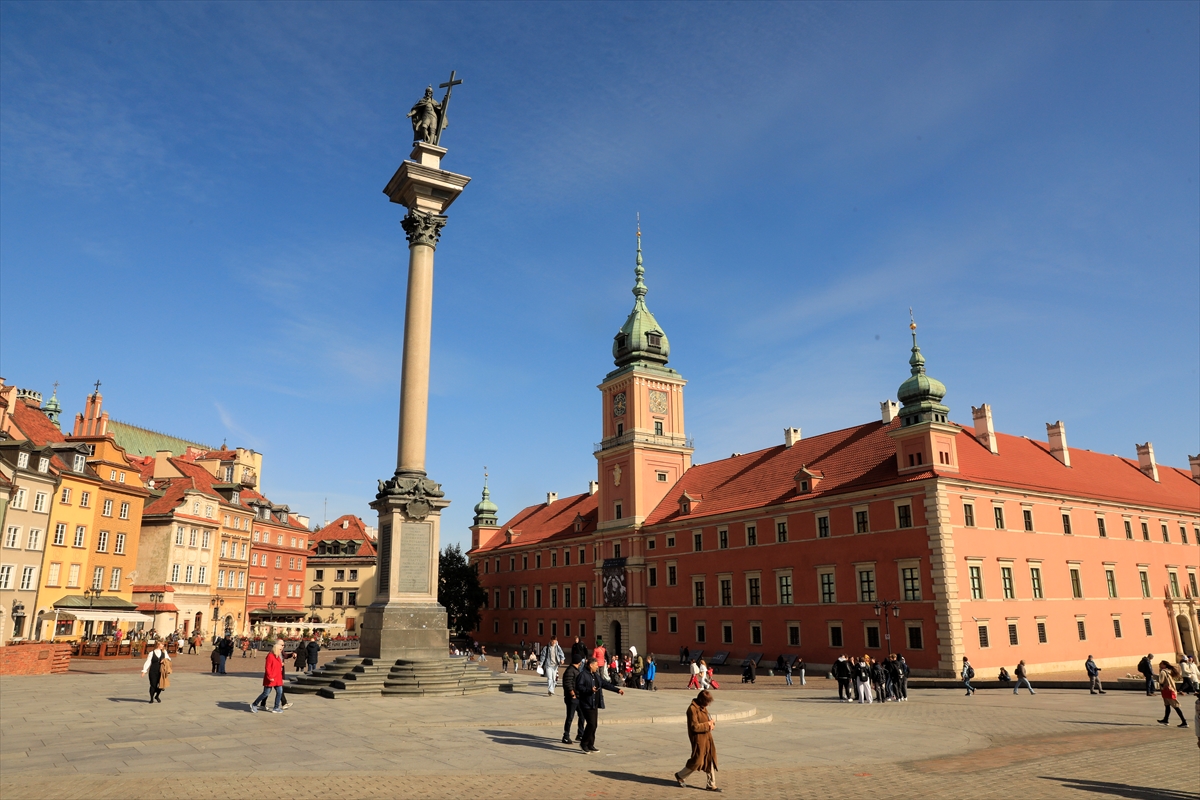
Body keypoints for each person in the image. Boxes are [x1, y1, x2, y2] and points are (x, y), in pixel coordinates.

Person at [575, 657, 624, 753]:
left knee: (594, 725)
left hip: (594, 703)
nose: (597, 667)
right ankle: (583, 743)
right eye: (596, 665)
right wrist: (589, 690)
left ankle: (590, 744)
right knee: (591, 724)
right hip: (586, 703)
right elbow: (579, 687)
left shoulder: (595, 675)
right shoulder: (583, 675)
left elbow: (604, 684)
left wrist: (617, 690)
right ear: (591, 665)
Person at [675, 690, 720, 792]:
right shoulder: (692, 709)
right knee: (697, 760)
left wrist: (712, 724)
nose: (708, 704)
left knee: (710, 759)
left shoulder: (703, 708)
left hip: (708, 737)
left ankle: (711, 784)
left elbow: (709, 720)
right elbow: (694, 727)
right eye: (707, 702)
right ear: (702, 700)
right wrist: (707, 725)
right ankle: (680, 775)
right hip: (698, 739)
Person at [250, 640, 286, 713]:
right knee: (266, 693)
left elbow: (277, 665)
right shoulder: (270, 656)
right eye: (280, 649)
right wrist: (270, 676)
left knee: (280, 691)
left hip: (277, 677)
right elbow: (268, 667)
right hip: (271, 677)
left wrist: (281, 665)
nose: (281, 651)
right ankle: (254, 704)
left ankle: (276, 707)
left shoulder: (277, 656)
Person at [561, 657, 586, 744]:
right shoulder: (570, 670)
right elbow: (568, 683)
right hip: (572, 698)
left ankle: (580, 734)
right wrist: (573, 695)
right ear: (579, 662)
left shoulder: (575, 670)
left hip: (578, 697)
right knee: (570, 717)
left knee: (582, 715)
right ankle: (566, 736)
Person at [1156, 661, 1188, 728]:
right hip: (1171, 690)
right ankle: (1165, 719)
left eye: (1161, 664)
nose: (1159, 665)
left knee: (1176, 706)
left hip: (1167, 691)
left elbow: (1161, 681)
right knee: (1167, 705)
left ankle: (1184, 722)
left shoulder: (1163, 672)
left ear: (1164, 665)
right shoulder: (1169, 671)